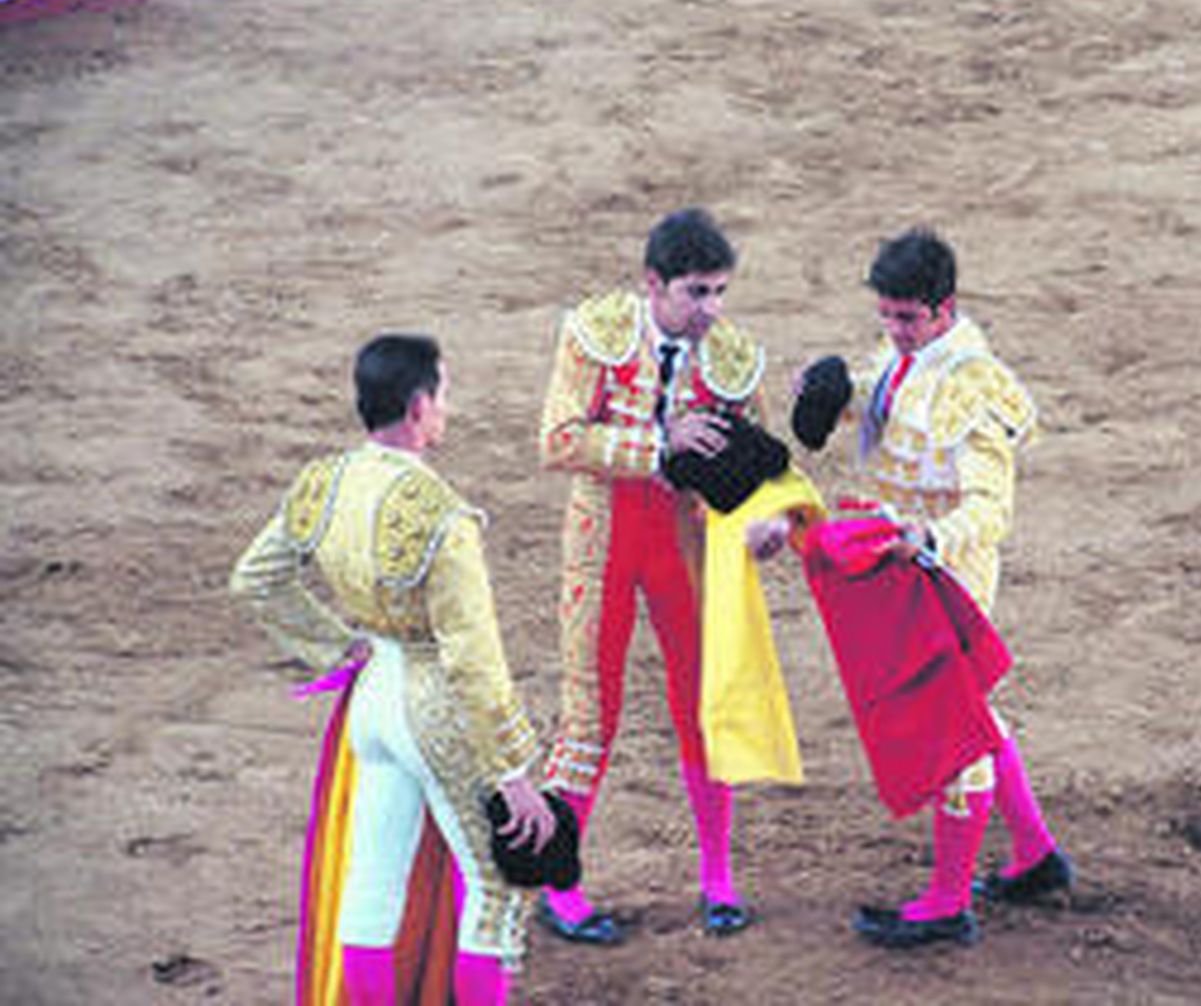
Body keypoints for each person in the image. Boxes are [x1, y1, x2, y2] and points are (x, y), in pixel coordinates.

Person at [231, 334, 556, 1005]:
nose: (447, 408)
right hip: (431, 705)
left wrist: (339, 646)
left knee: (372, 889)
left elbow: (256, 580)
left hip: (370, 700)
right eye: (444, 394)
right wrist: (512, 773)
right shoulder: (443, 518)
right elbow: (473, 659)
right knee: (496, 891)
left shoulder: (323, 483)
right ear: (417, 406)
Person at [826, 228, 1074, 948]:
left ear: (945, 309)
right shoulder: (906, 354)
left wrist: (928, 541)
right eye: (888, 316)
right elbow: (890, 403)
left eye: (908, 318)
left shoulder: (974, 387)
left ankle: (946, 902)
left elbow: (990, 511)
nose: (895, 331)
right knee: (971, 714)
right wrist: (839, 394)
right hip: (908, 563)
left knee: (953, 732)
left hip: (949, 575)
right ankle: (1034, 856)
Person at [537, 207, 772, 943]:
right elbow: (559, 439)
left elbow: (761, 465)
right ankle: (559, 886)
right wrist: (661, 445)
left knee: (705, 705)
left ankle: (718, 880)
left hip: (686, 542)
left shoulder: (731, 357)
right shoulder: (596, 334)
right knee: (589, 714)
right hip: (605, 533)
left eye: (720, 292)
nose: (711, 310)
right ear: (653, 284)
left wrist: (765, 520)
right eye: (697, 293)